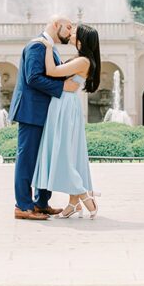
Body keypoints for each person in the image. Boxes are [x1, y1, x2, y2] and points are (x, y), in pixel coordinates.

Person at [8, 16, 80, 220]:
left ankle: (41, 203)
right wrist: (62, 87)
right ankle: (22, 206)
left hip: (42, 112)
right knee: (27, 160)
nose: (70, 31)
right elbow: (33, 77)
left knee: (43, 158)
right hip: (31, 112)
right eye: (68, 27)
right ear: (56, 25)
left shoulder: (49, 47)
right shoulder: (37, 46)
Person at [33, 24, 101, 219]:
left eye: (75, 33)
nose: (70, 34)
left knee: (64, 151)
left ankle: (84, 195)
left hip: (65, 105)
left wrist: (48, 47)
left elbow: (52, 71)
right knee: (69, 151)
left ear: (81, 40)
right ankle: (73, 204)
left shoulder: (83, 61)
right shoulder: (82, 59)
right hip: (64, 102)